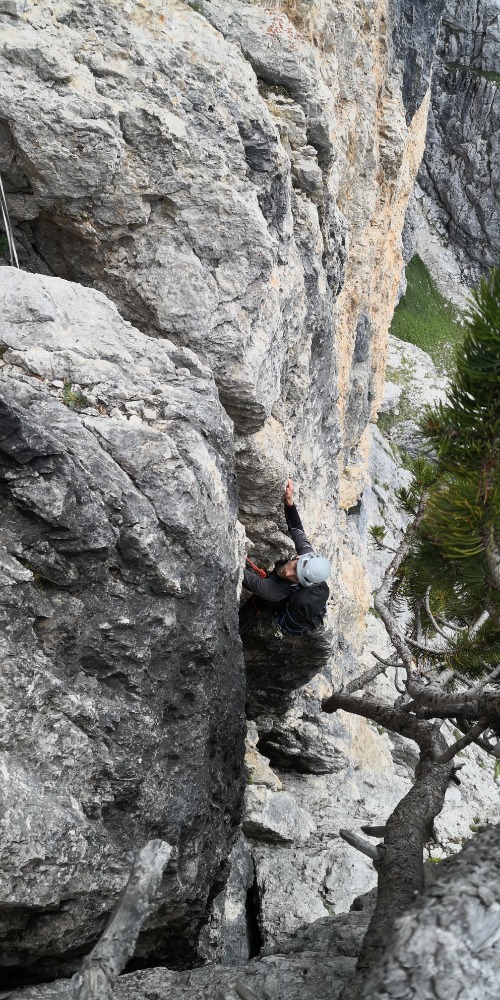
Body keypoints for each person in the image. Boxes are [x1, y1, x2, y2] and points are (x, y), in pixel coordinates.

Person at [239, 479, 331, 638]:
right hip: (283, 592)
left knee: (253, 608)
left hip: (275, 601)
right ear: (299, 557)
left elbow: (238, 573)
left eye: (296, 577)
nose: (289, 573)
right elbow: (296, 528)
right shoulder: (307, 557)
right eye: (294, 568)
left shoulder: (273, 592)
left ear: (303, 583)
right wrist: (289, 502)